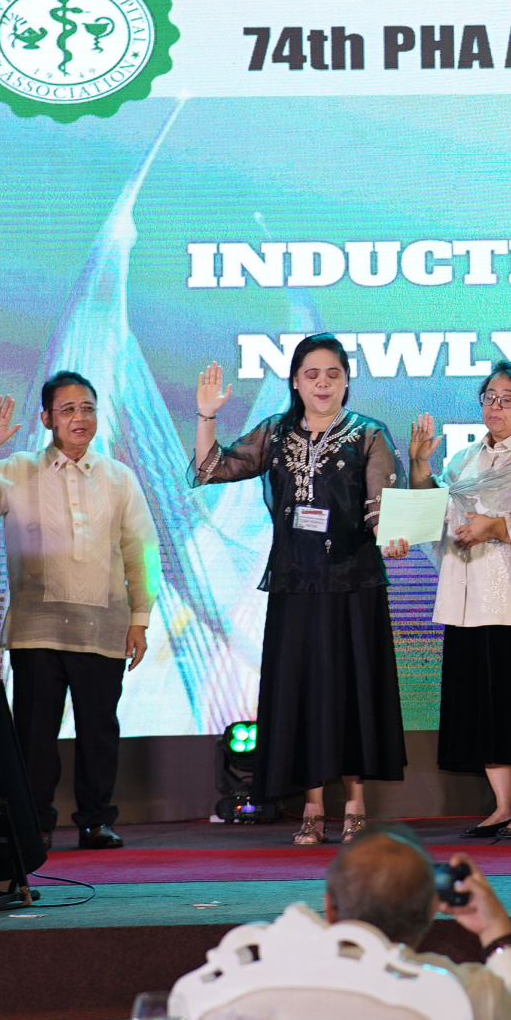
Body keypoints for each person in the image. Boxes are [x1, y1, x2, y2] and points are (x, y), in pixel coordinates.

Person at [191, 334, 407, 846]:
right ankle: (312, 805)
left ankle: (354, 804)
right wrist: (207, 417)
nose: (322, 383)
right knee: (303, 693)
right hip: (295, 584)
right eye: (312, 374)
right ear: (295, 381)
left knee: (352, 692)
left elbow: (380, 505)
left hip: (352, 585)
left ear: (347, 381)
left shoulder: (368, 434)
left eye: (333, 374)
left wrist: (393, 533)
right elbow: (210, 469)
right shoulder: (276, 432)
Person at [0, 372, 160, 851]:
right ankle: (35, 822)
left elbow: (141, 551)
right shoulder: (18, 469)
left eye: (87, 408)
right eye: (67, 409)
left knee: (99, 730)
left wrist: (140, 619)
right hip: (37, 628)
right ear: (46, 419)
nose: (79, 418)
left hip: (103, 625)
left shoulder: (119, 477)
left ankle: (96, 821)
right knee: (35, 733)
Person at [390, 362, 511, 842]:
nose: (495, 406)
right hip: (467, 597)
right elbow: (433, 513)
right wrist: (420, 466)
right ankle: (503, 806)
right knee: (482, 707)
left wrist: (496, 527)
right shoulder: (466, 459)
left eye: (507, 399)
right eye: (489, 396)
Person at [323, 823, 511, 1020]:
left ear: (328, 909)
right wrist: (497, 931)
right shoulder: (471, 992)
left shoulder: (300, 979)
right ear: (432, 909)